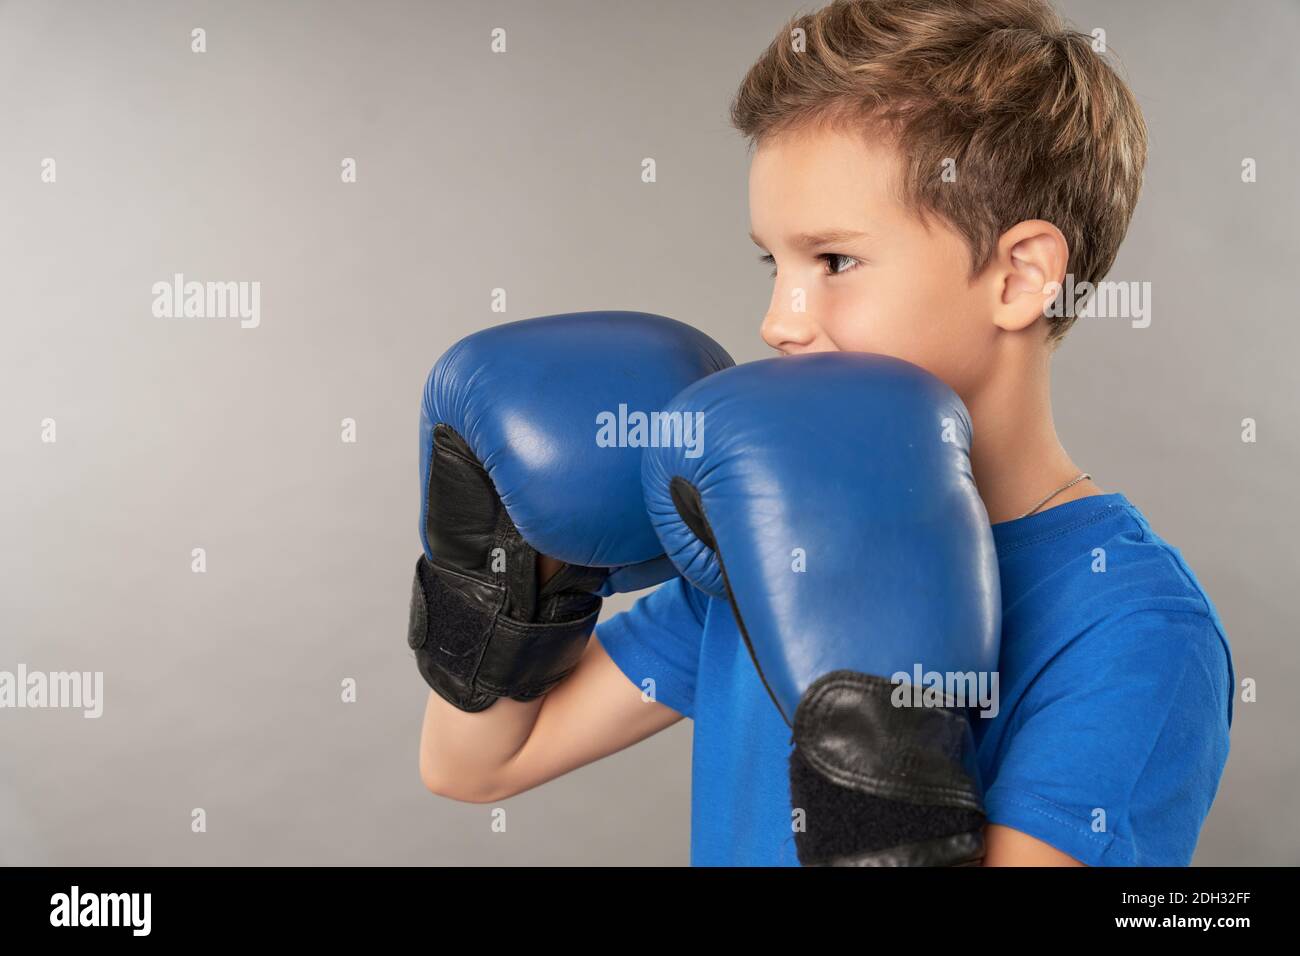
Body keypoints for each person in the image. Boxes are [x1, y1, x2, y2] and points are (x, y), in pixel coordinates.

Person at [415, 0, 1233, 867]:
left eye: (834, 261)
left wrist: (880, 779)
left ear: (1020, 276)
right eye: (776, 263)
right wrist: (511, 570)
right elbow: (476, 766)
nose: (779, 322)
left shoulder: (1136, 632)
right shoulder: (771, 534)